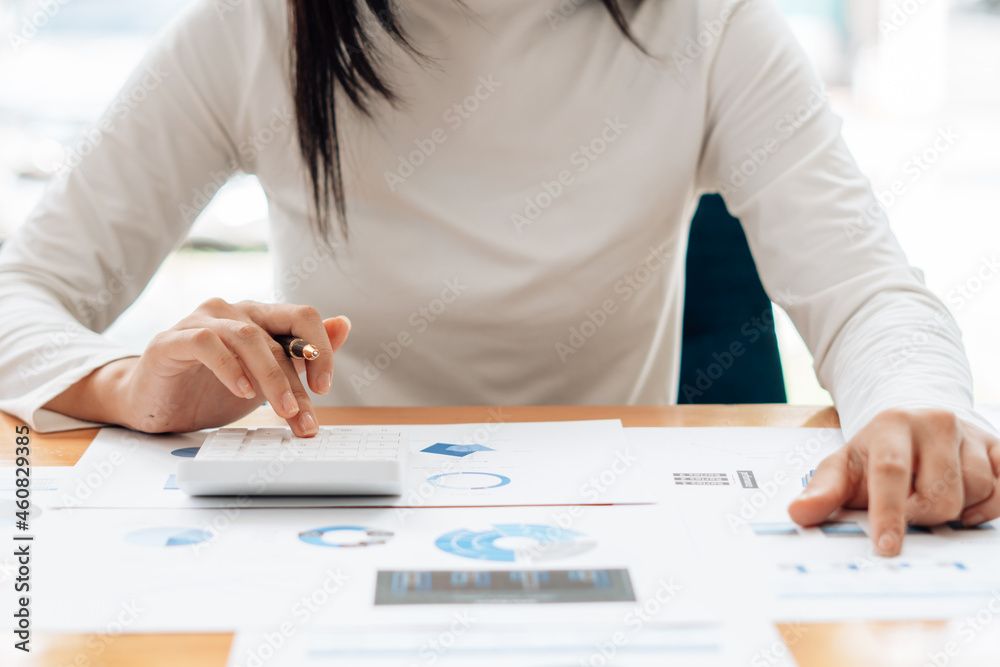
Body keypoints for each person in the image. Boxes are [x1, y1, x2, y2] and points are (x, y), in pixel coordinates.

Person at [0, 0, 996, 557]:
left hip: (615, 549)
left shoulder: (710, 25)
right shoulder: (260, 26)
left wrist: (914, 406)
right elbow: (20, 291)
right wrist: (124, 383)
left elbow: (868, 292)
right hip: (332, 548)